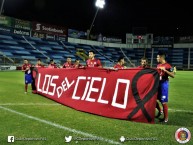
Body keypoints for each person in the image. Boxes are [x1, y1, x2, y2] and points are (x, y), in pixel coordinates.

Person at [156, 51, 175, 123]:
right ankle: (160, 110)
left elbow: (173, 75)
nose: (156, 58)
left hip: (164, 85)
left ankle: (166, 118)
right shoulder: (158, 65)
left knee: (163, 102)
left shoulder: (168, 66)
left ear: (161, 57)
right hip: (158, 84)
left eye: (157, 57)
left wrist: (165, 71)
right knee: (153, 99)